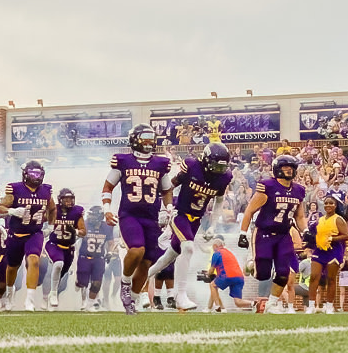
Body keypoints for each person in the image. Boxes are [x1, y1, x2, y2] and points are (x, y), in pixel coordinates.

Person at [147, 142, 232, 312]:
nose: (218, 170)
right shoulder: (192, 166)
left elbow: (219, 202)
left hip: (196, 219)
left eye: (221, 166)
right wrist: (165, 208)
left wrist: (213, 225)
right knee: (188, 248)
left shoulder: (224, 177)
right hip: (180, 214)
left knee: (167, 258)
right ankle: (181, 295)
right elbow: (169, 186)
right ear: (206, 160)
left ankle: (137, 281)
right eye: (215, 165)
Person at [101, 124, 174, 315]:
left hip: (151, 218)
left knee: (146, 263)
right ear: (135, 139)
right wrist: (106, 209)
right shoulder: (123, 161)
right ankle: (125, 284)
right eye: (145, 138)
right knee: (136, 250)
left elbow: (167, 190)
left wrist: (168, 208)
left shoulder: (160, 163)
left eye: (152, 137)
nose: (150, 141)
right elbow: (108, 187)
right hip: (129, 215)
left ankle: (131, 301)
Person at [239, 154, 307, 315]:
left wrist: (306, 231)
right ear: (277, 169)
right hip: (264, 233)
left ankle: (271, 303)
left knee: (284, 273)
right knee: (262, 274)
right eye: (285, 167)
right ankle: (250, 263)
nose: (289, 170)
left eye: (292, 167)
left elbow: (300, 216)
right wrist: (243, 232)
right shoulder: (267, 186)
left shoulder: (298, 190)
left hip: (284, 235)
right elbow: (250, 210)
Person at [0, 159, 54, 311]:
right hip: (16, 233)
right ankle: (9, 294)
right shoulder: (14, 189)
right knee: (12, 267)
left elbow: (53, 208)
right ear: (25, 174)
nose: (36, 176)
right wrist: (12, 211)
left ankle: (30, 300)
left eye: (39, 173)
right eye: (33, 173)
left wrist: (51, 225)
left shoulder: (46, 190)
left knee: (34, 260)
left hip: (34, 232)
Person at [306, 196, 348, 315]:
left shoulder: (338, 219)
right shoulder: (320, 220)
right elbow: (313, 234)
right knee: (314, 276)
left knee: (331, 279)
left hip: (334, 250)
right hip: (319, 250)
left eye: (331, 203)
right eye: (326, 203)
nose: (328, 205)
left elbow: (346, 235)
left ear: (335, 206)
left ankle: (329, 306)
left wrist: (331, 238)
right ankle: (311, 305)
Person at [44, 188, 85, 310]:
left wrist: (75, 231)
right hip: (54, 244)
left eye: (71, 199)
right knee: (58, 264)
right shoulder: (54, 210)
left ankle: (53, 292)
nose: (69, 202)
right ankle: (53, 293)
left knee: (62, 273)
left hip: (69, 248)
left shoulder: (77, 211)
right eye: (66, 199)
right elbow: (41, 218)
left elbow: (83, 232)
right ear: (60, 200)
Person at [75, 206, 114, 311]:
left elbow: (110, 243)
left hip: (98, 258)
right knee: (83, 282)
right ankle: (80, 286)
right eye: (90, 214)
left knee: (97, 282)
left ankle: (90, 304)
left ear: (99, 216)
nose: (90, 217)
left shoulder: (106, 227)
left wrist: (110, 252)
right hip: (84, 257)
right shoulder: (85, 224)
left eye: (93, 215)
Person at [206, 238, 253, 312]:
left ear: (215, 246)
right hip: (239, 277)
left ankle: (218, 307)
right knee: (238, 302)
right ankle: (254, 303)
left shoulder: (217, 253)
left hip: (228, 275)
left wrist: (207, 274)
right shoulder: (229, 252)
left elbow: (211, 270)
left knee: (212, 285)